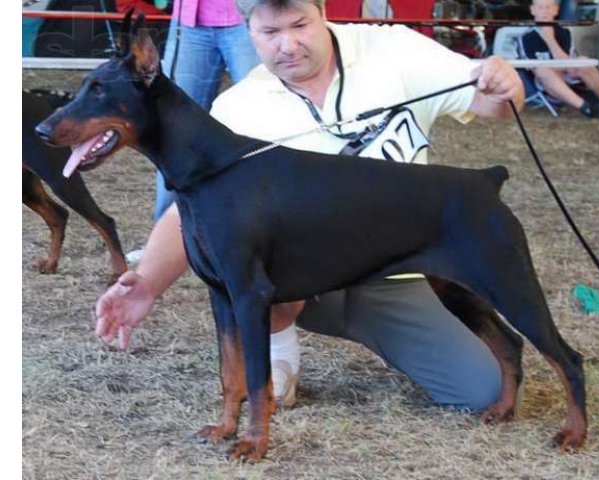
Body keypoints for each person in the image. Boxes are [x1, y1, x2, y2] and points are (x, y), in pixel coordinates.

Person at [97, 0, 524, 413]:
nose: (287, 45)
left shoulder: (395, 48)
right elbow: (194, 213)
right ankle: (279, 354)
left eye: (300, 25)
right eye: (270, 32)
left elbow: (493, 104)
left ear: (324, 13)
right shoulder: (236, 108)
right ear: (249, 33)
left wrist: (504, 85)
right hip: (307, 275)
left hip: (399, 265)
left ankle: (443, 314)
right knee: (258, 249)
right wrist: (147, 283)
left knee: (481, 391)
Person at [153, 0, 260, 221]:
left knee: (263, 122)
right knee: (174, 128)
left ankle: (266, 229)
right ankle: (165, 237)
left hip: (254, 17)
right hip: (190, 22)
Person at [519, 0, 599, 118]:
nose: (544, 12)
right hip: (546, 83)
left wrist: (551, 40)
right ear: (532, 10)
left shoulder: (564, 33)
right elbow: (533, 71)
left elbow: (569, 64)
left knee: (584, 61)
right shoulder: (527, 37)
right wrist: (549, 40)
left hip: (568, 75)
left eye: (548, 7)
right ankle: (586, 108)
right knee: (542, 70)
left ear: (556, 10)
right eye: (540, 7)